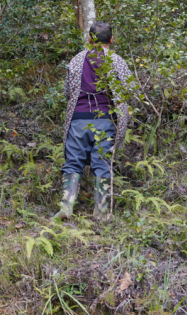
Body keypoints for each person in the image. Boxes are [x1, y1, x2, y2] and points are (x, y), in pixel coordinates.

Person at [52, 22, 131, 221]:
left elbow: (68, 92)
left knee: (72, 163)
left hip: (78, 119)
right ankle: (102, 213)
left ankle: (66, 208)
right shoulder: (117, 61)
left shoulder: (77, 60)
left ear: (89, 39)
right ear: (111, 40)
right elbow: (128, 91)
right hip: (105, 120)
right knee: (103, 164)